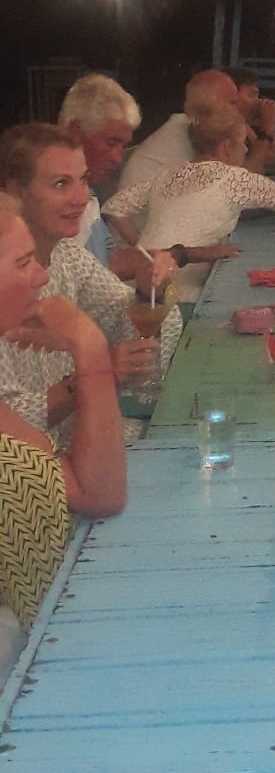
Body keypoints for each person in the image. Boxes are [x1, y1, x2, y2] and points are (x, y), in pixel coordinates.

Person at [0, 192, 126, 673]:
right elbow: (101, 494)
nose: (41, 276)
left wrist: (87, 348)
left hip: (48, 634)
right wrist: (89, 348)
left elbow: (97, 491)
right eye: (24, 263)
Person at [0, 125, 182, 440]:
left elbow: (139, 336)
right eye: (61, 184)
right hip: (36, 466)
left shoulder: (68, 257)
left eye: (83, 180)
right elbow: (8, 429)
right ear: (15, 191)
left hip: (83, 446)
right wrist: (94, 374)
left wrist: (148, 292)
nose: (81, 198)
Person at [104, 103, 275, 303]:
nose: (246, 151)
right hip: (180, 295)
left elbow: (113, 208)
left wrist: (145, 249)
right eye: (243, 144)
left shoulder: (167, 175)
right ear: (226, 146)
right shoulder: (235, 179)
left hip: (137, 287)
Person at [58, 74, 175, 290]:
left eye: (122, 146)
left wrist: (155, 261)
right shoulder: (45, 203)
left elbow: (109, 259)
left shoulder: (91, 193)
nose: (117, 158)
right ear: (76, 133)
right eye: (111, 142)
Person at [118, 69, 275, 190]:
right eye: (231, 102)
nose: (235, 108)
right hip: (144, 222)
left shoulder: (194, 122)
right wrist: (266, 129)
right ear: (210, 103)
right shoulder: (197, 130)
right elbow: (240, 185)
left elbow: (260, 165)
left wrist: (264, 129)